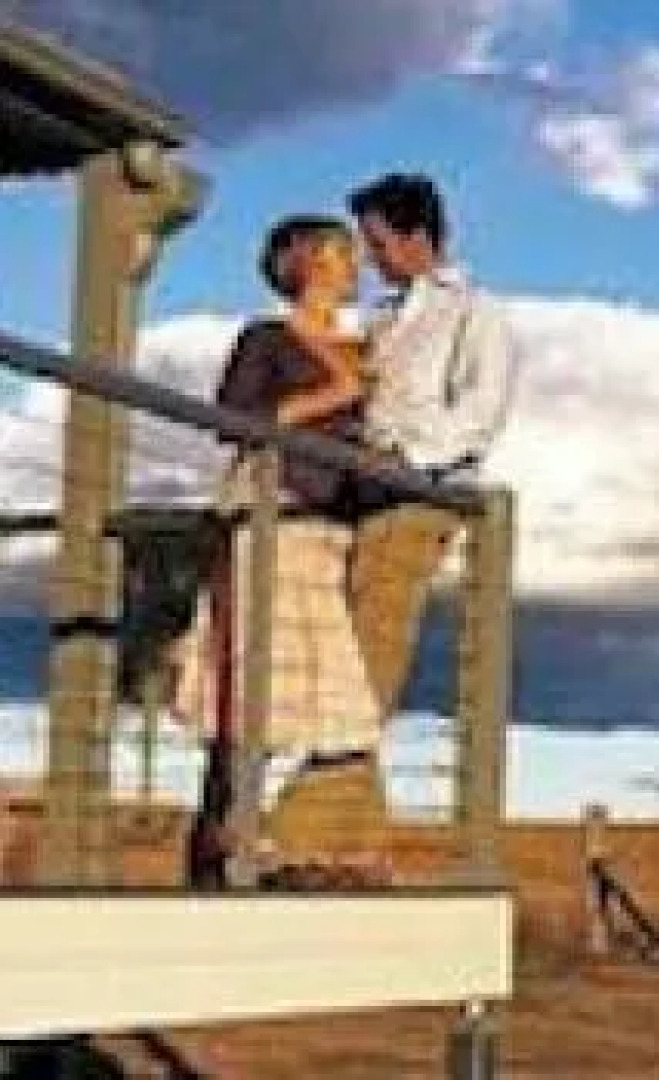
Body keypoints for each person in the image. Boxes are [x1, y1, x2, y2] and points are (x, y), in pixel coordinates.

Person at [170, 215, 386, 888]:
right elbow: (235, 421)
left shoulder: (364, 347)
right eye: (343, 253)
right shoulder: (268, 338)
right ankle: (218, 848)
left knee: (325, 702)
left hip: (331, 529)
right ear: (309, 262)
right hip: (272, 516)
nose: (355, 266)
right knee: (252, 686)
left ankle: (262, 837)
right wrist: (331, 394)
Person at [344, 173, 517, 736]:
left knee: (374, 642)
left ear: (417, 236)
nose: (370, 258)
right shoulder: (383, 318)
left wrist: (410, 460)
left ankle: (335, 793)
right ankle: (340, 797)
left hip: (419, 493)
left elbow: (482, 409)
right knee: (345, 640)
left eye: (378, 243)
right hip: (360, 493)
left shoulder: (474, 311)